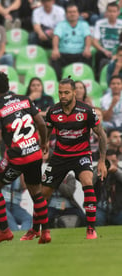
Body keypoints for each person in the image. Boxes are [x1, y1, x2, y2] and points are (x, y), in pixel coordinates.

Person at [0, 71, 51, 244]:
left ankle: (4, 231)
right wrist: (44, 142)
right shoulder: (25, 99)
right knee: (36, 192)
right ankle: (46, 232)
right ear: (8, 86)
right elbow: (41, 123)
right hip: (34, 153)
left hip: (16, 157)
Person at [39, 76, 108, 239]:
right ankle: (41, 230)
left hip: (81, 155)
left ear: (74, 93)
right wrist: (45, 144)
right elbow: (47, 130)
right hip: (60, 156)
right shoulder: (53, 111)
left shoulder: (86, 111)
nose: (62, 96)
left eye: (66, 93)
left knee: (87, 181)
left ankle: (91, 229)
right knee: (43, 193)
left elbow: (102, 135)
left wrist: (102, 161)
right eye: (60, 92)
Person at [51, 3, 92, 80]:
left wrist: (87, 48)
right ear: (66, 14)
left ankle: (87, 81)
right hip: (64, 54)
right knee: (54, 58)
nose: (72, 14)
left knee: (88, 56)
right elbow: (56, 36)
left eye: (74, 12)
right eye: (70, 12)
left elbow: (88, 37)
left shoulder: (84, 24)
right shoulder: (61, 25)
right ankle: (58, 81)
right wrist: (55, 49)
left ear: (78, 13)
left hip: (79, 54)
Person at [93, 128, 122, 225]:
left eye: (113, 162)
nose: (110, 165)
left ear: (117, 161)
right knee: (96, 219)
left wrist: (116, 171)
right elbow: (89, 182)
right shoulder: (96, 169)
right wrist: (100, 170)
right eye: (108, 162)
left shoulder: (119, 170)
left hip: (118, 208)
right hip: (100, 207)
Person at [93, 2, 122, 76]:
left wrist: (117, 54)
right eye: (110, 11)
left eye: (114, 11)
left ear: (118, 13)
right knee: (98, 54)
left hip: (119, 52)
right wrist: (104, 51)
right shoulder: (100, 23)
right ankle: (98, 77)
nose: (112, 14)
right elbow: (95, 41)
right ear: (106, 12)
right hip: (105, 51)